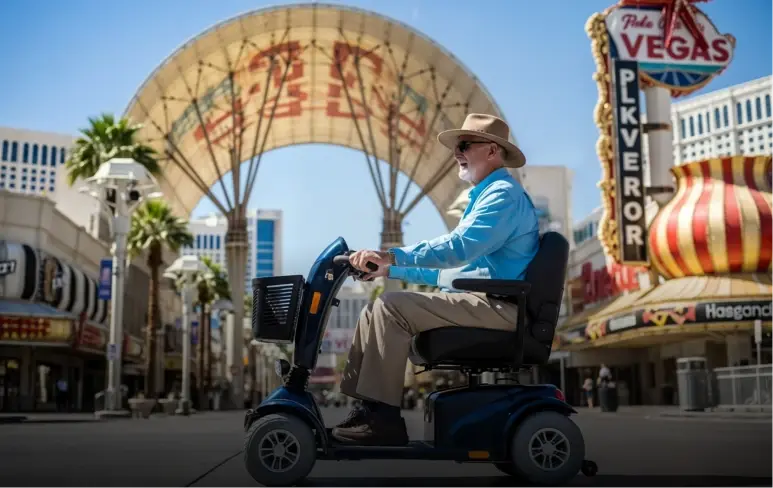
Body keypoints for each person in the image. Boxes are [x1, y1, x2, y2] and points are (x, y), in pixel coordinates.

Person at [333, 114, 540, 446]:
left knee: (391, 306)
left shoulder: (502, 195)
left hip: (501, 308)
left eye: (464, 145)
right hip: (485, 300)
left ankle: (383, 419)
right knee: (376, 308)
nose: (456, 151)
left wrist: (393, 255)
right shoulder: (486, 197)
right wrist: (390, 269)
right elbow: (450, 271)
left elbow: (458, 249)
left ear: (491, 150)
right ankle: (368, 409)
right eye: (456, 146)